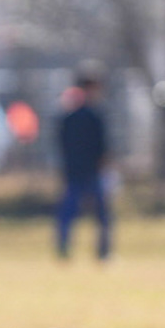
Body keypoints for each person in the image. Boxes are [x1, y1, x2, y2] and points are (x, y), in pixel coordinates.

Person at [55, 65, 113, 261]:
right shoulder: (94, 116)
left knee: (71, 213)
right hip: (90, 172)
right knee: (100, 214)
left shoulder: (67, 116)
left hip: (75, 171)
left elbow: (60, 144)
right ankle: (102, 252)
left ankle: (65, 248)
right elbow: (102, 147)